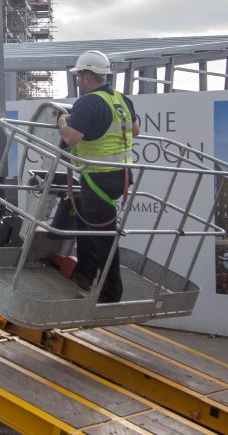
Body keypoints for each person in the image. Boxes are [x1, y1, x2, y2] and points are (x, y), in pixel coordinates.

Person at [56, 50, 139, 303]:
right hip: (120, 176)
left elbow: (71, 138)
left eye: (79, 76)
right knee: (85, 218)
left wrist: (62, 121)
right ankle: (86, 272)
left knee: (103, 238)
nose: (78, 81)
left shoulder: (89, 102)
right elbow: (135, 129)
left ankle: (110, 294)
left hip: (98, 178)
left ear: (88, 76)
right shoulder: (120, 99)